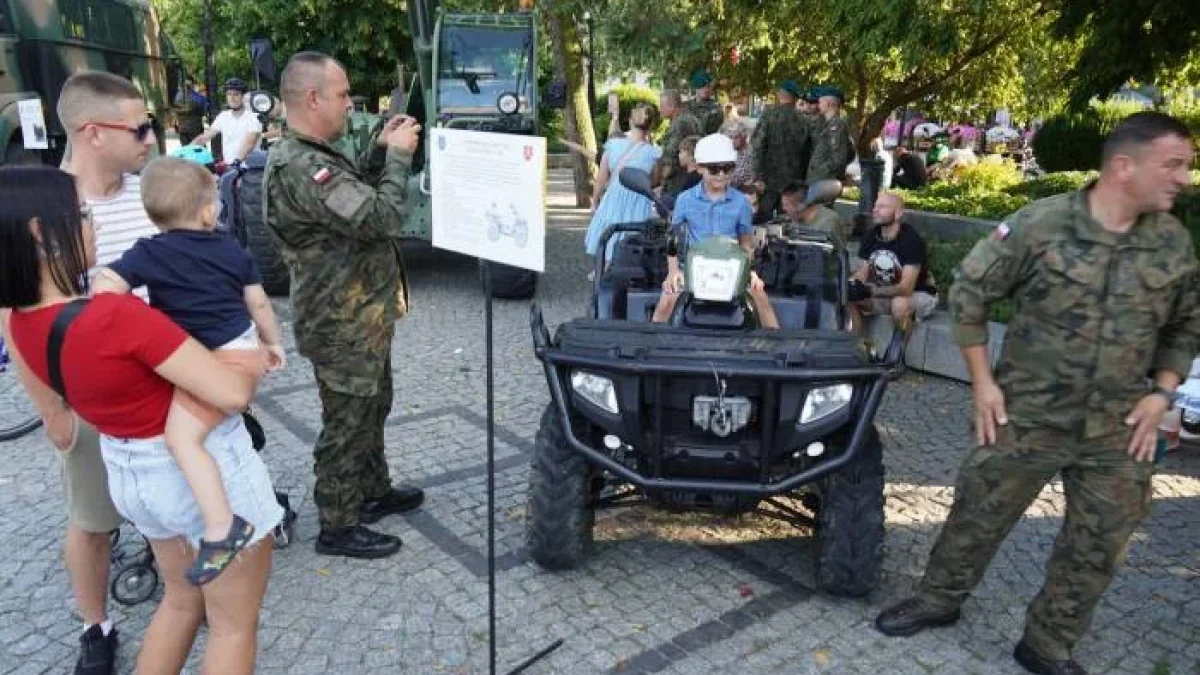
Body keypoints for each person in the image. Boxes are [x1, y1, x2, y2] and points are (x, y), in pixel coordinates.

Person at [874, 112, 1200, 675]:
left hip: (1118, 427)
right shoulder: (1041, 224)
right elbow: (973, 293)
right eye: (1173, 165)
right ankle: (939, 599)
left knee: (1100, 542)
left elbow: (1185, 325)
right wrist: (982, 384)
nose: (1184, 178)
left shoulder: (1171, 242)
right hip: (1025, 413)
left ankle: (1048, 642)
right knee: (978, 512)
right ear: (1125, 166)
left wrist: (1162, 391)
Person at [1, 166, 282, 674]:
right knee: (232, 626)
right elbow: (231, 392)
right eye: (82, 215)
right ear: (43, 234)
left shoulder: (22, 323)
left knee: (180, 602)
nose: (95, 225)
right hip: (201, 480)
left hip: (132, 475)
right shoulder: (116, 319)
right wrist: (254, 357)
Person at [16, 70, 162, 675]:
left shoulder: (153, 190)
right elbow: (16, 311)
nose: (153, 137)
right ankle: (95, 625)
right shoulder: (45, 207)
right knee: (93, 518)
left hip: (163, 382)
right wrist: (52, 408)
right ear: (93, 132)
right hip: (90, 397)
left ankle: (183, 587)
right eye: (141, 126)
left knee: (170, 504)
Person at [90, 157, 286, 586]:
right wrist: (272, 344)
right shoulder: (232, 250)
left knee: (182, 439)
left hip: (205, 361)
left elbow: (107, 288)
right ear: (207, 211)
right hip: (238, 350)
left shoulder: (147, 252)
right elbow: (259, 304)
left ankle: (222, 529)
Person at [264, 52, 425, 559]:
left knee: (373, 406)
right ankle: (337, 524)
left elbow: (354, 197)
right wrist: (398, 157)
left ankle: (372, 491)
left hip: (362, 315)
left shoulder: (318, 154)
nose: (349, 103)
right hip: (341, 321)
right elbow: (379, 217)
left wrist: (378, 153)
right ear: (312, 98)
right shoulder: (301, 164)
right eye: (342, 94)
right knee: (346, 422)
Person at [652, 134, 779, 329]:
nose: (721, 174)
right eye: (714, 169)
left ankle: (775, 347)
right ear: (700, 167)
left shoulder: (741, 203)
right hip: (693, 269)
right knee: (666, 302)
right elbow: (674, 238)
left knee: (761, 299)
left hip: (732, 268)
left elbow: (745, 243)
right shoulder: (685, 200)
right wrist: (673, 272)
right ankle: (653, 348)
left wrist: (750, 272)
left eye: (727, 168)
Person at [584, 102, 663, 267]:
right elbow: (656, 181)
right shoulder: (653, 153)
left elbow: (601, 178)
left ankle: (605, 269)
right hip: (639, 199)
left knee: (610, 228)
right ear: (651, 126)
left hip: (615, 195)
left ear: (630, 121)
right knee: (634, 232)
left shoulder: (613, 146)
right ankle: (629, 268)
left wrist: (596, 199)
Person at [849, 192, 937, 334]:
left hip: (919, 294)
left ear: (898, 213)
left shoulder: (911, 241)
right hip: (884, 292)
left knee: (899, 304)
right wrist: (851, 286)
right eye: (875, 206)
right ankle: (856, 347)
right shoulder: (870, 236)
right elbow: (862, 273)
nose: (875, 210)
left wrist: (873, 291)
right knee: (850, 300)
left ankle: (898, 353)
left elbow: (906, 288)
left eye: (882, 207)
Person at [751, 80, 811, 221]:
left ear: (779, 94)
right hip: (793, 182)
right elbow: (807, 152)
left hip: (769, 179)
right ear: (795, 97)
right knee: (787, 220)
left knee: (762, 220)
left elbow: (757, 145)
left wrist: (757, 175)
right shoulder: (803, 120)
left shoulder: (769, 115)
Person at [191, 78, 263, 163]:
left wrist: (237, 162)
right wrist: (187, 149)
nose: (232, 98)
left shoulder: (252, 117)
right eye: (229, 94)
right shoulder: (223, 116)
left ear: (243, 96)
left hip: (249, 168)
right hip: (230, 167)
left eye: (236, 94)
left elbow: (249, 144)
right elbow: (205, 137)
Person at [806, 86, 855, 184]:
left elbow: (838, 159)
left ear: (828, 104)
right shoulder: (828, 124)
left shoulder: (837, 125)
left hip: (823, 180)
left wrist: (820, 171)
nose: (818, 104)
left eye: (820, 101)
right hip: (818, 180)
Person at [781, 180, 848, 248]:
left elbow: (839, 253)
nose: (783, 208)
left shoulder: (828, 222)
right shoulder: (791, 220)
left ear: (801, 206)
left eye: (787, 205)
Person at [659, 89, 703, 185]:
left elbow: (671, 158)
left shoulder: (679, 123)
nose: (660, 109)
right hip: (692, 177)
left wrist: (662, 179)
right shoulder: (691, 118)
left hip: (678, 182)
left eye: (662, 106)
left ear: (673, 106)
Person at [662, 135, 702, 206]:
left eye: (681, 152)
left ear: (691, 155)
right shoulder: (694, 175)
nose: (679, 155)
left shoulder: (694, 179)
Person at [721, 118, 755, 193]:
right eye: (730, 137)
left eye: (736, 137)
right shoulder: (734, 151)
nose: (732, 141)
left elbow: (737, 178)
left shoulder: (749, 153)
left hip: (744, 192)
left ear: (744, 137)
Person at [686, 69, 724, 135]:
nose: (706, 89)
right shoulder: (686, 106)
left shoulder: (715, 108)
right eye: (702, 86)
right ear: (696, 87)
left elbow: (709, 130)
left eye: (708, 86)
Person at [173, 78, 208, 145]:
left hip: (182, 129)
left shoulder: (177, 97)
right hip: (195, 129)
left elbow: (175, 111)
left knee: (186, 150)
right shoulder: (198, 97)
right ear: (192, 85)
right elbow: (204, 111)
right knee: (198, 149)